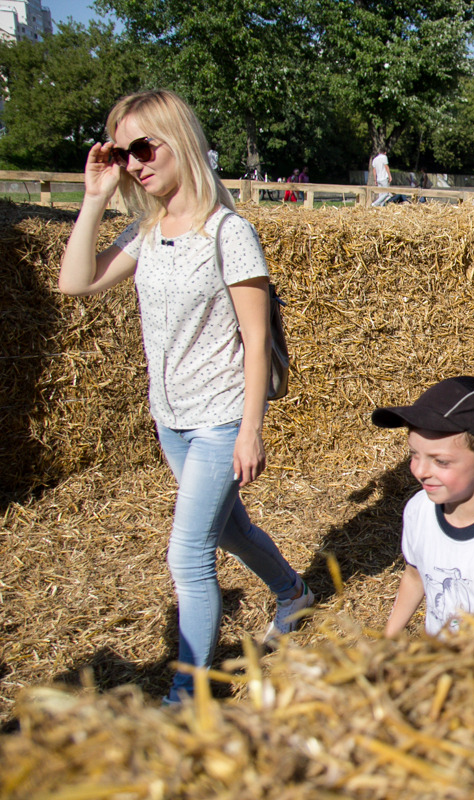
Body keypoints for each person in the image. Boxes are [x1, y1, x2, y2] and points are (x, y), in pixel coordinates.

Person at [57, 89, 314, 704]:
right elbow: (75, 283)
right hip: (170, 419)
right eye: (123, 154)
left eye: (145, 147)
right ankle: (293, 593)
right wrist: (95, 198)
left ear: (181, 142)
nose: (136, 163)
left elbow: (256, 339)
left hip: (222, 418)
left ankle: (187, 693)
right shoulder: (146, 231)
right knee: (227, 531)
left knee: (189, 553)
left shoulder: (228, 232)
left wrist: (251, 429)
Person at [372, 376, 474, 637]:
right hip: (437, 662)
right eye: (414, 454)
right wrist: (386, 639)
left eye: (441, 461)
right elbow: (415, 578)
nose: (420, 471)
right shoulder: (419, 509)